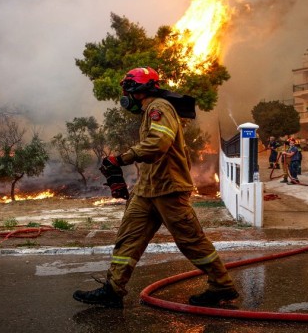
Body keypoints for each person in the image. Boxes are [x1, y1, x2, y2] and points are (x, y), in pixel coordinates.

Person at [73, 67, 238, 308]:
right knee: (128, 238)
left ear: (140, 90)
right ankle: (113, 289)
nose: (125, 95)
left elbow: (158, 143)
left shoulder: (159, 107)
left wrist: (122, 158)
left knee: (191, 241)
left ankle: (222, 286)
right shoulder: (150, 110)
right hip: (147, 190)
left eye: (127, 89)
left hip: (169, 189)